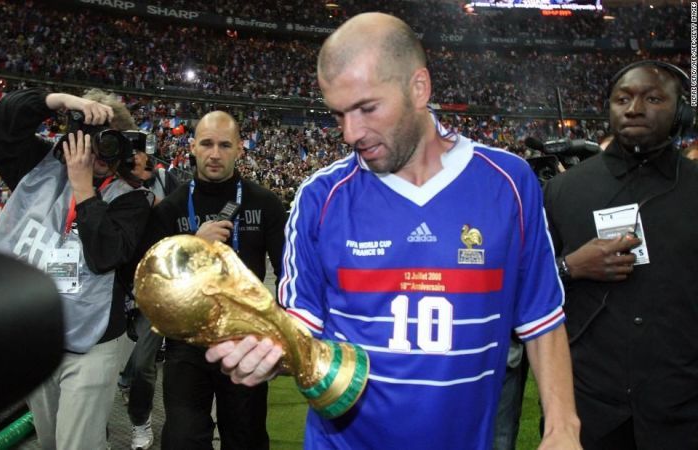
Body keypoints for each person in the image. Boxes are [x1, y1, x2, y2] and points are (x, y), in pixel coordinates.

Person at [207, 13, 581, 449]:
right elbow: (299, 328)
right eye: (338, 114)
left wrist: (562, 427)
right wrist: (265, 349)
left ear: (418, 88)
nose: (351, 133)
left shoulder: (508, 183)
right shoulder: (320, 197)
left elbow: (542, 319)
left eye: (367, 108)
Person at [0, 88, 153, 449]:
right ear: (75, 136)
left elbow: (105, 254)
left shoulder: (131, 198)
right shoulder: (39, 164)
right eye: (96, 139)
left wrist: (82, 188)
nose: (105, 151)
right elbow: (0, 121)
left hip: (92, 342)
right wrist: (61, 101)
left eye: (115, 142)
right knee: (49, 441)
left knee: (77, 445)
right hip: (37, 337)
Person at [544, 61, 698, 449]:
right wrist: (570, 267)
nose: (634, 108)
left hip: (681, 410)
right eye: (623, 98)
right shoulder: (562, 192)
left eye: (653, 98)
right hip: (591, 410)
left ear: (681, 111)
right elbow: (525, 289)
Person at [145, 110, 287, 450]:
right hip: (186, 341)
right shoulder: (172, 209)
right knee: (182, 438)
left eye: (225, 145)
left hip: (245, 342)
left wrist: (281, 334)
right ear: (192, 147)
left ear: (240, 149)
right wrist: (196, 245)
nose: (214, 153)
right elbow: (155, 285)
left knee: (246, 437)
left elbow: (288, 274)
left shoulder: (264, 203)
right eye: (207, 144)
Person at [117, 147, 180, 450]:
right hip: (115, 284)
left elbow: (181, 215)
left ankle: (139, 421)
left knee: (145, 359)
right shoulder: (105, 181)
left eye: (145, 162)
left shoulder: (167, 181)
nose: (140, 168)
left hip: (157, 286)